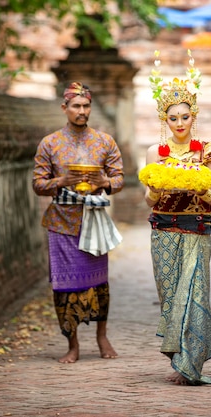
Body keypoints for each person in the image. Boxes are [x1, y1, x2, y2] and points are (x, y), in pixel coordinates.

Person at [141, 50, 211, 385]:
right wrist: (159, 184)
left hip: (195, 231)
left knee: (194, 296)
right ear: (165, 119)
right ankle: (178, 359)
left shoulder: (209, 152)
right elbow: (148, 199)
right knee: (170, 296)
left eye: (185, 116)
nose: (179, 123)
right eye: (173, 117)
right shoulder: (154, 153)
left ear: (194, 116)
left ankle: (191, 365)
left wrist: (198, 181)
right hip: (162, 230)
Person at [32, 82, 124, 363]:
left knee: (99, 283)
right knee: (64, 284)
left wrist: (105, 182)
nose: (81, 111)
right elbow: (38, 184)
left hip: (94, 220)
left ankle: (101, 336)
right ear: (65, 108)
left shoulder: (105, 141)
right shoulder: (50, 143)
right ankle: (72, 344)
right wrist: (61, 181)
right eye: (76, 106)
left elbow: (120, 178)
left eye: (86, 106)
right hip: (61, 223)